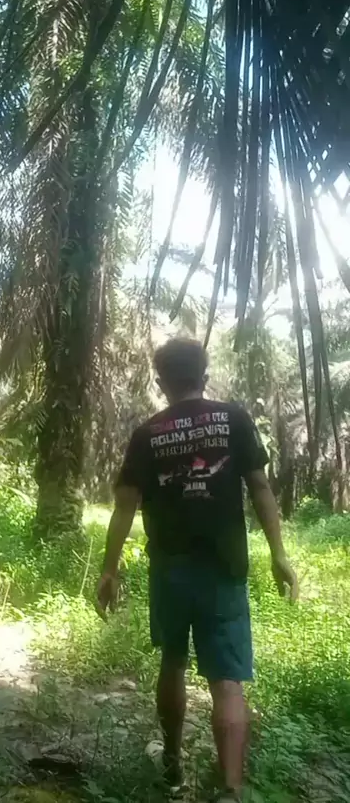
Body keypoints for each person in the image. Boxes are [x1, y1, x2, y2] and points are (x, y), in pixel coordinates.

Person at [96, 338, 298, 803]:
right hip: (224, 566)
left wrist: (109, 569)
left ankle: (171, 766)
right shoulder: (234, 419)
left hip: (170, 567)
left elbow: (125, 506)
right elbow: (260, 487)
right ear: (204, 377)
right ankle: (230, 790)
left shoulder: (147, 433)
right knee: (227, 681)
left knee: (172, 661)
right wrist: (279, 554)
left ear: (161, 382)